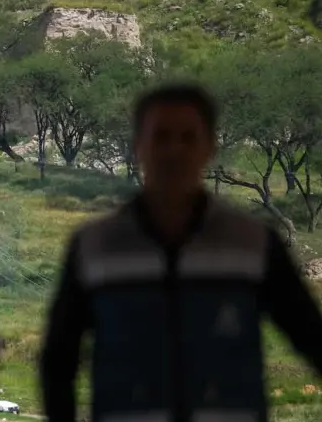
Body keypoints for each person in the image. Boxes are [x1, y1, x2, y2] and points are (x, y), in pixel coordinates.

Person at [39, 84, 322, 422]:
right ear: (138, 146)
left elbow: (311, 338)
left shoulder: (253, 244)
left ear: (209, 147)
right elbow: (59, 361)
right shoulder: (95, 246)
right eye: (161, 136)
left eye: (188, 137)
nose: (174, 150)